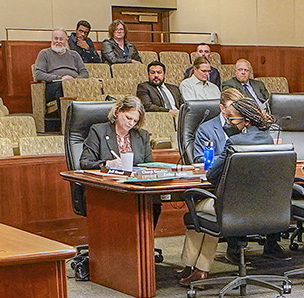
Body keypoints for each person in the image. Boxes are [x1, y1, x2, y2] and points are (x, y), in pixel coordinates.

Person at [174, 96, 276, 281]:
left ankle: (197, 268)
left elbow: (212, 175)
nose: (227, 123)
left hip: (234, 207)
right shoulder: (268, 139)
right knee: (211, 211)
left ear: (245, 121)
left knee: (199, 210)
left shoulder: (235, 142)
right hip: (263, 207)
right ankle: (197, 268)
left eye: (231, 119)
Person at [33, 29, 88, 130]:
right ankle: (68, 125)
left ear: (66, 41)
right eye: (56, 38)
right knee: (62, 87)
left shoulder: (74, 55)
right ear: (51, 40)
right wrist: (61, 78)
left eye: (61, 39)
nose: (58, 41)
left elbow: (84, 73)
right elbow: (38, 74)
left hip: (74, 84)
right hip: (54, 86)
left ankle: (86, 121)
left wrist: (74, 80)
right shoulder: (44, 54)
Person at [80, 95, 153, 170]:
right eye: (128, 118)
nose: (131, 123)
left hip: (136, 180)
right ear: (118, 111)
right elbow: (85, 163)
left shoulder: (142, 135)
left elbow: (149, 165)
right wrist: (108, 164)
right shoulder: (98, 131)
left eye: (135, 121)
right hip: (108, 179)